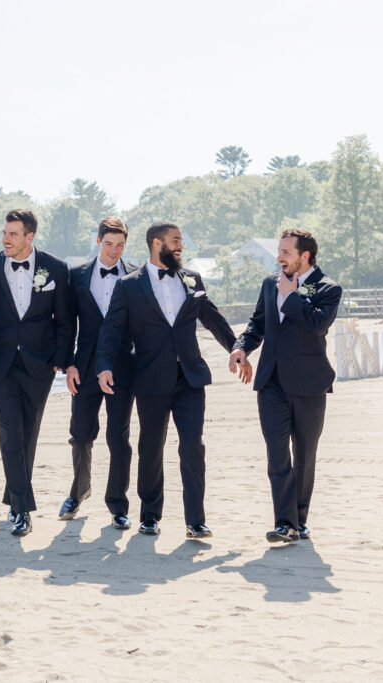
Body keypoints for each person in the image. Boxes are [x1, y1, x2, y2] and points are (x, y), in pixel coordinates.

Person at [96, 221, 247, 538]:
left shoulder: (192, 279)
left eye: (180, 241)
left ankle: (195, 520)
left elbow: (212, 317)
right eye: (175, 240)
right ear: (156, 243)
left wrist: (236, 347)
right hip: (150, 379)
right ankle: (149, 515)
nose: (180, 246)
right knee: (151, 448)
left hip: (190, 378)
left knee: (193, 447)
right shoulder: (129, 286)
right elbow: (111, 330)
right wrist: (104, 366)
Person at [229, 228, 341, 544]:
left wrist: (291, 295)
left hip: (309, 385)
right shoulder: (270, 284)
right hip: (271, 383)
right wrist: (241, 346)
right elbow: (257, 324)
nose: (279, 258)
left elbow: (318, 324)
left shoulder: (329, 288)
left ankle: (299, 521)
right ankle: (284, 523)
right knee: (278, 455)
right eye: (278, 251)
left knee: (304, 456)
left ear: (305, 256)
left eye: (286, 253)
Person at [0, 209, 70, 536]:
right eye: (4, 233)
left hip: (40, 364)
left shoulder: (56, 269)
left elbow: (64, 320)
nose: (6, 239)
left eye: (13, 234)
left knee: (28, 432)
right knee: (9, 431)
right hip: (0, 365)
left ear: (29, 237)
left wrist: (59, 360)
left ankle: (13, 495)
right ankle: (22, 510)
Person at [61, 217, 136, 530]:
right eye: (108, 244)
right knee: (80, 435)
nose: (114, 251)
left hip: (124, 368)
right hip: (85, 367)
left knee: (118, 437)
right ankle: (78, 492)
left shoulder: (136, 275)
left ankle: (117, 504)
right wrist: (68, 364)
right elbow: (66, 323)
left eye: (120, 245)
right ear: (98, 241)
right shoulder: (77, 275)